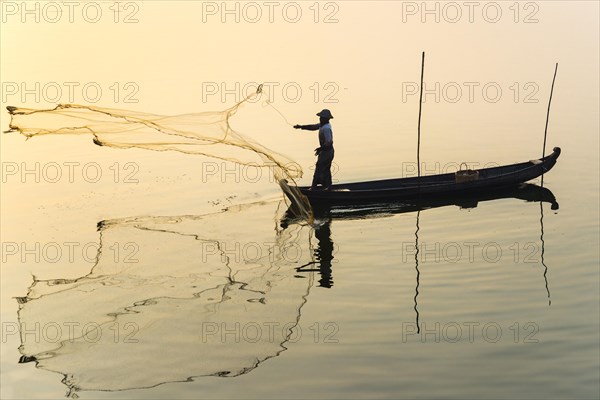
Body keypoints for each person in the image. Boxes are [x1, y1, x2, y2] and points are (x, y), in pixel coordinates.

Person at [294, 109, 334, 190]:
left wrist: (320, 149)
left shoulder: (326, 128)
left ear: (326, 119)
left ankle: (314, 188)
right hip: (325, 151)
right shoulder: (322, 125)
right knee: (325, 169)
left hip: (327, 152)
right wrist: (301, 127)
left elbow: (329, 142)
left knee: (319, 168)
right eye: (320, 117)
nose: (320, 118)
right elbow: (313, 127)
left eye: (321, 117)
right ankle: (327, 187)